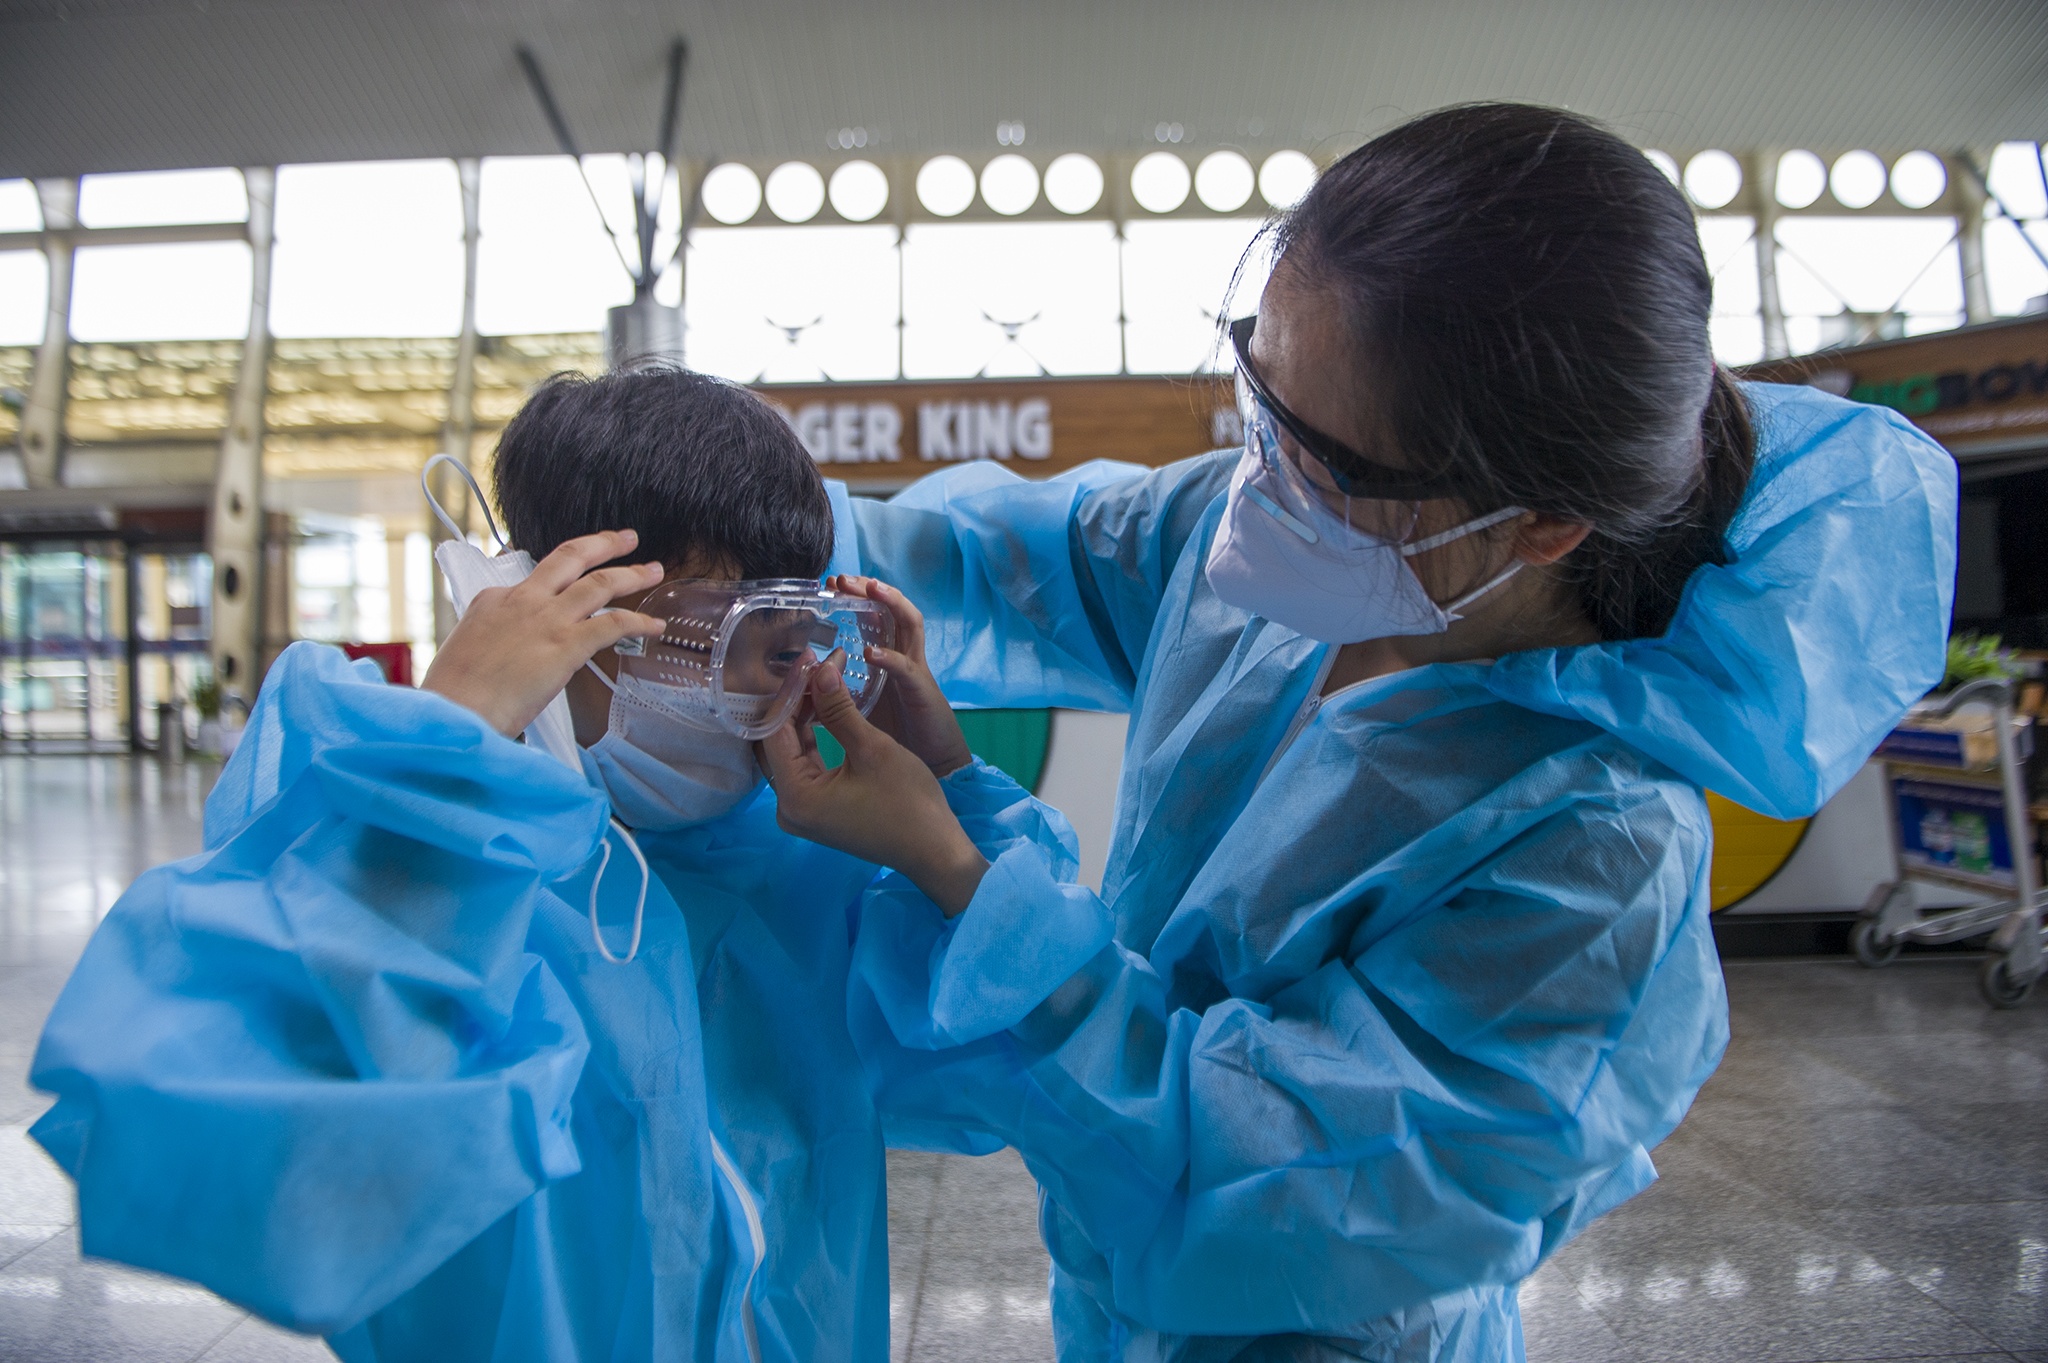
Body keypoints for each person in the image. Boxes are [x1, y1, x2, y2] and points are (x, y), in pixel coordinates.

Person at [760, 104, 1959, 1362]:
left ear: (1543, 521)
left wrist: (962, 866)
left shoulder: (1590, 858)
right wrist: (764, 535)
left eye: (1316, 452)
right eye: (1255, 388)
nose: (1253, 472)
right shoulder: (1271, 570)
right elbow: (1004, 557)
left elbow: (1229, 1177)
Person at [27, 367, 1067, 1363]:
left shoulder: (800, 872)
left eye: (793, 636)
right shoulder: (419, 844)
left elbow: (1038, 1071)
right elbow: (256, 1168)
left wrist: (949, 795)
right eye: (715, 635)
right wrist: (451, 746)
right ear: (537, 607)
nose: (763, 693)